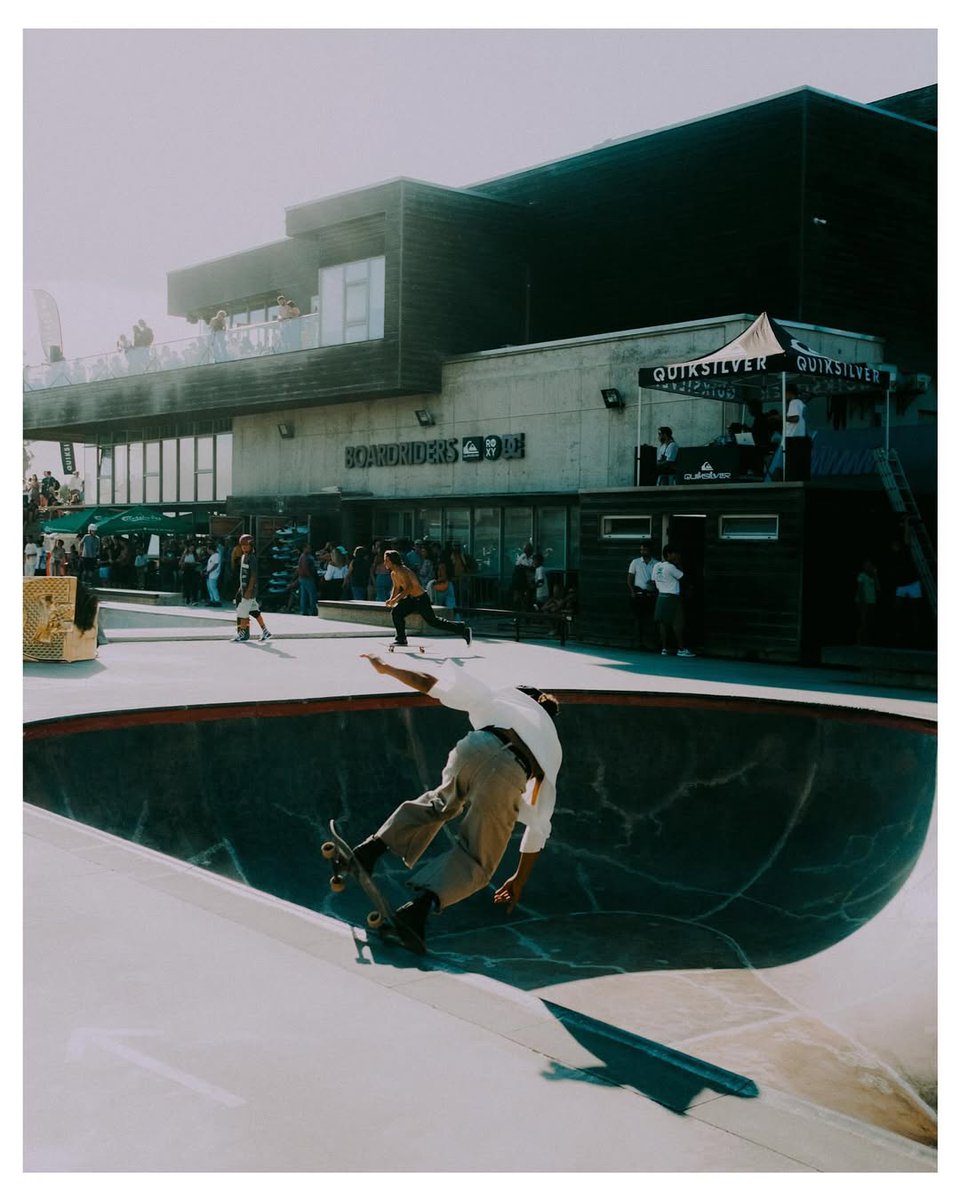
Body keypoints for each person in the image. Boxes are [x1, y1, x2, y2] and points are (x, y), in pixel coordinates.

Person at [348, 653, 562, 949]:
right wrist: (519, 879)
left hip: (477, 745)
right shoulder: (551, 748)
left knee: (440, 802)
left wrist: (387, 668)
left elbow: (431, 684)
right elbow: (538, 825)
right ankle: (416, 912)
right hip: (513, 770)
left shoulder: (503, 699)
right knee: (477, 859)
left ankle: (372, 848)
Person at [383, 549, 472, 648]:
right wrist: (391, 599)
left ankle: (462, 629)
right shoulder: (393, 573)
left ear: (392, 561)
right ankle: (401, 638)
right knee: (396, 613)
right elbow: (396, 587)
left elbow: (409, 588)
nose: (385, 563)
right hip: (411, 599)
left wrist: (395, 600)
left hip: (421, 598)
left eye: (386, 560)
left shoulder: (403, 571)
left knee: (433, 621)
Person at [651, 544, 697, 657]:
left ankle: (664, 648)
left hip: (661, 596)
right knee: (678, 623)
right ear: (669, 554)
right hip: (672, 597)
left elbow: (653, 581)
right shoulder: (672, 567)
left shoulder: (657, 566)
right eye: (675, 554)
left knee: (663, 624)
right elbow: (684, 578)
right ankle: (681, 649)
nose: (678, 556)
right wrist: (679, 565)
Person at [232, 533, 272, 642]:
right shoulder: (243, 557)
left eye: (246, 545)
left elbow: (253, 576)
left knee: (243, 612)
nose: (244, 547)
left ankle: (242, 633)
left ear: (251, 545)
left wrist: (249, 590)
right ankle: (265, 631)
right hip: (244, 589)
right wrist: (241, 589)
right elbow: (242, 575)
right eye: (242, 545)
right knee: (255, 611)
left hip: (249, 591)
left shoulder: (252, 558)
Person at [626, 541, 659, 649]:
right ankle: (639, 642)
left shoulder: (656, 563)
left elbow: (659, 579)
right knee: (638, 619)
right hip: (639, 593)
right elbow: (630, 578)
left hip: (651, 593)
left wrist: (654, 583)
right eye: (641, 549)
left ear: (650, 550)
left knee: (652, 618)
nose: (642, 551)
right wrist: (632, 592)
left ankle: (652, 642)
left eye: (644, 549)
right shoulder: (635, 562)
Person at [783, 385, 811, 481]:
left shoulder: (794, 402)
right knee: (800, 465)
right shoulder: (801, 403)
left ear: (789, 393)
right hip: (801, 437)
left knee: (792, 465)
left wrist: (782, 418)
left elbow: (795, 418)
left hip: (794, 438)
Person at [855, 558, 880, 645]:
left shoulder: (873, 576)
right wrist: (863, 601)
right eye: (866, 564)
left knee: (870, 621)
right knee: (863, 621)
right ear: (864, 566)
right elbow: (860, 588)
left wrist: (875, 574)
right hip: (863, 601)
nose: (868, 566)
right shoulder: (862, 575)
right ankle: (859, 640)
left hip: (872, 601)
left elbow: (878, 588)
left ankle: (867, 641)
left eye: (870, 564)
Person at [296, 543, 319, 615]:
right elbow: (305, 568)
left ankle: (303, 610)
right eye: (308, 547)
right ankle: (313, 610)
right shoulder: (305, 557)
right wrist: (310, 576)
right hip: (307, 577)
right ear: (304, 548)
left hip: (302, 578)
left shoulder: (303, 556)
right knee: (312, 594)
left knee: (304, 595)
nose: (310, 548)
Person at [205, 541, 223, 605]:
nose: (207, 551)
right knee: (209, 587)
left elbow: (216, 565)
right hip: (209, 574)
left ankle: (217, 600)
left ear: (210, 549)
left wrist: (209, 571)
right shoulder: (212, 556)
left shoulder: (217, 555)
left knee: (213, 587)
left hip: (213, 574)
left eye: (207, 549)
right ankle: (212, 599)